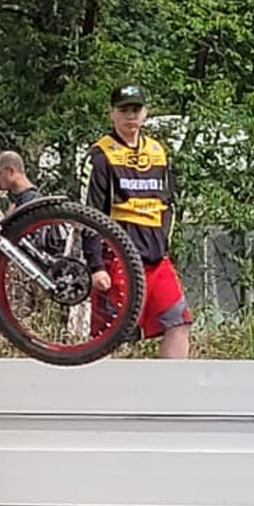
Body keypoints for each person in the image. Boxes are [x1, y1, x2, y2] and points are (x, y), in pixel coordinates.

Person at [82, 83, 190, 359]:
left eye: (136, 109)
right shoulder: (101, 155)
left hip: (156, 257)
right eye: (124, 110)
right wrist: (96, 266)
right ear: (112, 114)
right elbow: (89, 213)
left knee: (179, 321)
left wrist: (164, 244)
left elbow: (168, 203)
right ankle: (107, 385)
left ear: (145, 113)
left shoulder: (157, 151)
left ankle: (172, 384)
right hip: (118, 257)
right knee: (114, 335)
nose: (130, 116)